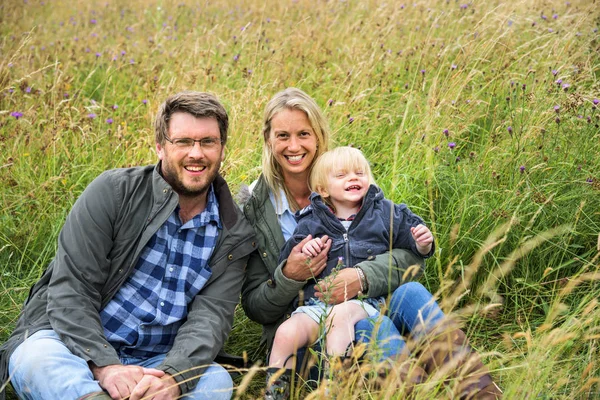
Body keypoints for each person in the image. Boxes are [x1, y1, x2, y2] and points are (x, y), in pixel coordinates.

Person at [240, 87, 501, 400]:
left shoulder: (349, 180)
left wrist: (361, 278)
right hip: (313, 327)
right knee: (371, 330)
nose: (293, 146)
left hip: (373, 301)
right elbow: (256, 305)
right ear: (268, 139)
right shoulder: (254, 208)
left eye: (304, 134)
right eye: (282, 135)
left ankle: (480, 392)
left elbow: (409, 257)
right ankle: (410, 388)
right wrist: (290, 275)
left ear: (319, 135)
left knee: (412, 292)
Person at [0, 91, 257, 400]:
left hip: (159, 361)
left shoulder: (234, 230)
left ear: (221, 148)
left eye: (207, 142)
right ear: (161, 147)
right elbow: (72, 287)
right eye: (183, 142)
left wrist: (174, 379)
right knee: (37, 359)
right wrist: (105, 365)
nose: (196, 153)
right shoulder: (114, 192)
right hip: (75, 345)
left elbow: (211, 317)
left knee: (216, 384)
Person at [268, 146, 435, 380]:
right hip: (318, 305)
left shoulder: (384, 213)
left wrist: (423, 244)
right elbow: (288, 258)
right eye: (342, 175)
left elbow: (412, 244)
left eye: (360, 173)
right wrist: (306, 250)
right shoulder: (311, 221)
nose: (353, 178)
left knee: (341, 320)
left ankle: (333, 387)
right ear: (322, 189)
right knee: (286, 332)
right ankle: (275, 389)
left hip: (365, 303)